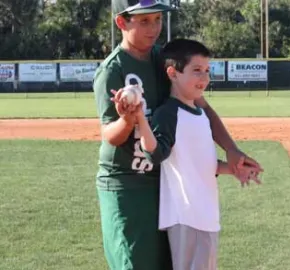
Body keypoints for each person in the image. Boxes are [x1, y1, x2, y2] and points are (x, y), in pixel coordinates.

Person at [92, 1, 263, 269]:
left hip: (165, 181)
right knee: (135, 263)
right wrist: (127, 119)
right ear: (122, 23)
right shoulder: (113, 70)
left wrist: (231, 148)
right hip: (128, 184)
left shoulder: (163, 60)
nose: (154, 28)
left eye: (157, 19)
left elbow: (202, 106)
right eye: (144, 20)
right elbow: (110, 136)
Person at [135, 38, 259, 270]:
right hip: (187, 214)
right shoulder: (168, 113)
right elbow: (156, 154)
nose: (204, 78)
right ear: (173, 73)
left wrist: (233, 169)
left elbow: (202, 163)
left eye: (207, 71)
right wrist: (141, 120)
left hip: (206, 213)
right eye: (196, 71)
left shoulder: (199, 114)